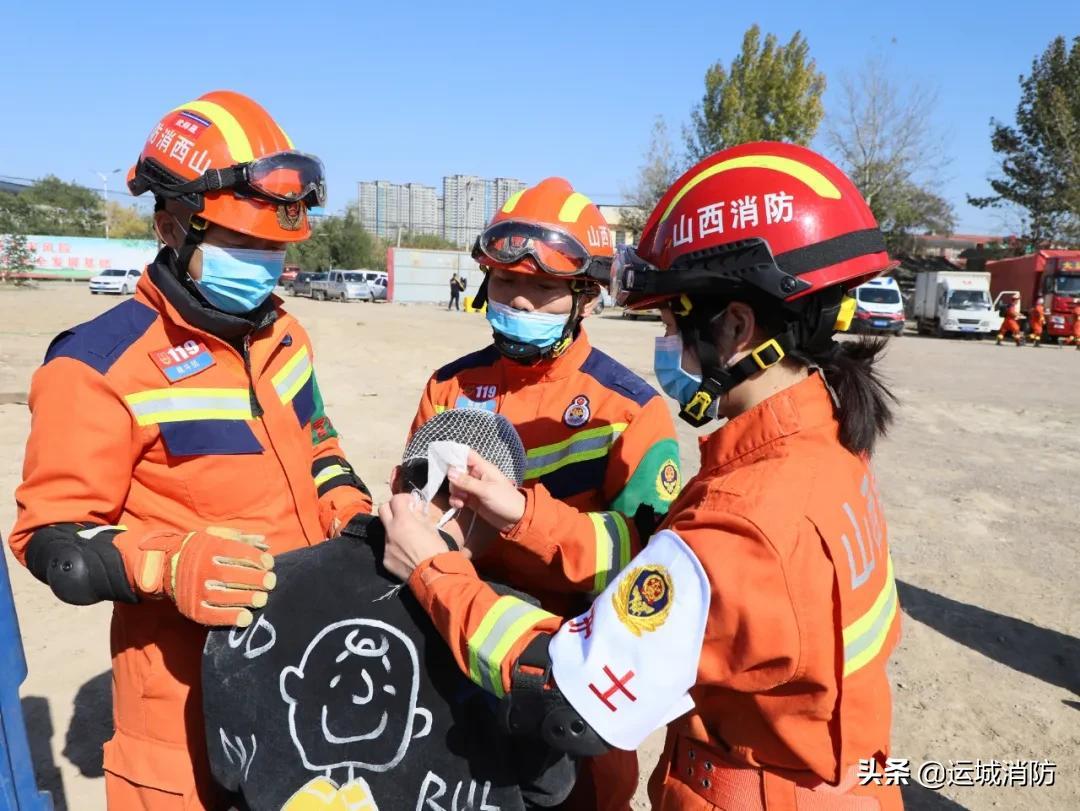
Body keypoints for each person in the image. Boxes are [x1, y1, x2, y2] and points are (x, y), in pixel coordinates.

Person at [383, 142, 904, 810]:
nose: (665, 343)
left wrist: (433, 570)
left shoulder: (742, 516)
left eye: (669, 321)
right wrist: (517, 516)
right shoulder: (828, 449)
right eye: (506, 282)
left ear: (737, 326)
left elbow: (568, 692)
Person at [8, 90, 373, 810]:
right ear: (171, 225)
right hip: (179, 710)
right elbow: (52, 538)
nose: (264, 264)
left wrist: (350, 512)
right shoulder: (97, 366)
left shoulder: (284, 336)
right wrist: (169, 564)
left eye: (275, 248)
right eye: (243, 244)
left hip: (299, 678)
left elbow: (320, 445)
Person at [409, 177, 682, 810]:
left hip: (570, 675)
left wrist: (522, 518)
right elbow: (414, 504)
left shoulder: (629, 411)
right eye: (506, 281)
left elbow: (650, 567)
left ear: (586, 296)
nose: (520, 300)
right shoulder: (449, 387)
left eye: (544, 288)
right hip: (456, 653)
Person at [203, 409, 576, 810]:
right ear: (497, 511)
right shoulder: (514, 631)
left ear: (397, 478)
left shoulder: (263, 585)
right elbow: (550, 786)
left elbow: (227, 765)